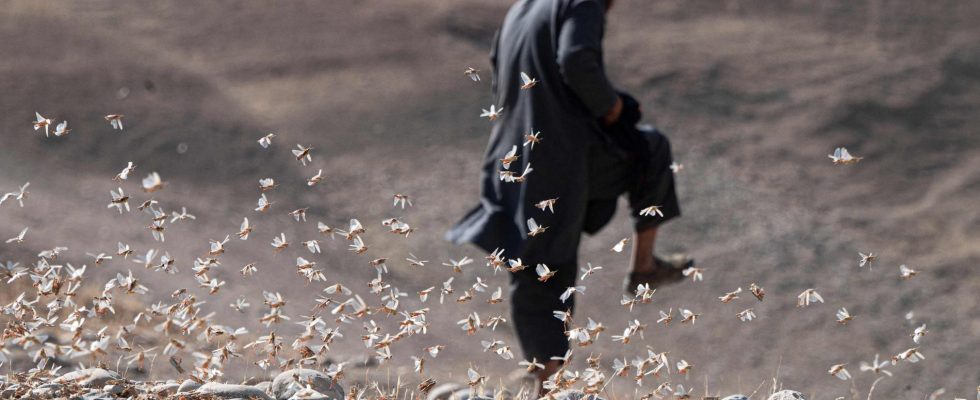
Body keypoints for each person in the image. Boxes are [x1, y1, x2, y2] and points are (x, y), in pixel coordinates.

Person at [445, 0, 692, 391]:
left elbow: (503, 71)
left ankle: (545, 383)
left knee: (534, 265)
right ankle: (643, 264)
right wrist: (613, 108)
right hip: (558, 156)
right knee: (650, 149)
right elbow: (576, 60)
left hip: (510, 154)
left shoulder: (521, 9)